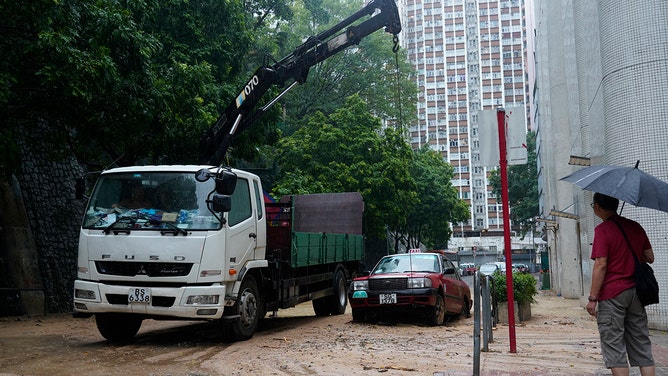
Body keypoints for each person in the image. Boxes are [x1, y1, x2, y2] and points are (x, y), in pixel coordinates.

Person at [586, 192, 655, 376]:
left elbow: (601, 264)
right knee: (641, 344)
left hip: (612, 294)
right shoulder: (635, 227)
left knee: (614, 346)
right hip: (636, 293)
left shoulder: (602, 230)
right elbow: (650, 257)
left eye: (593, 204)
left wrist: (592, 298)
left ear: (598, 207)